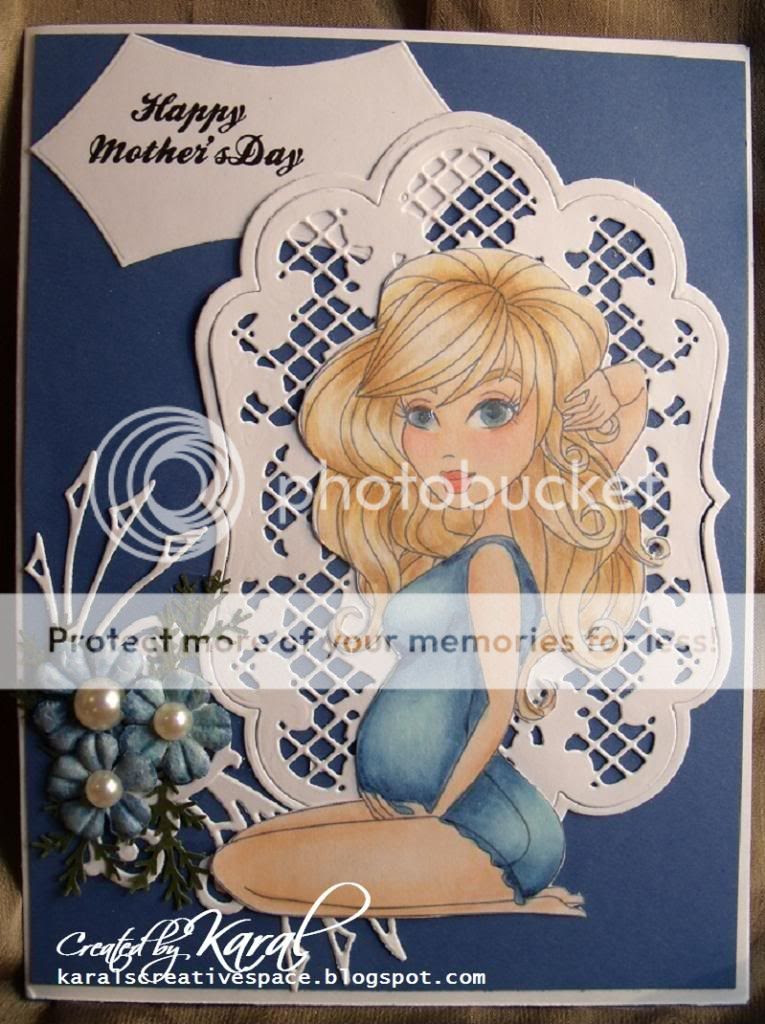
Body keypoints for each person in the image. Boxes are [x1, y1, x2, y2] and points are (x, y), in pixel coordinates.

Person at [212, 248, 655, 918]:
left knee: (248, 868)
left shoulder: (494, 564)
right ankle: (479, 889)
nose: (449, 447)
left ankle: (506, 888)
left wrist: (440, 808)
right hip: (402, 797)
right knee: (236, 860)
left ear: (544, 417)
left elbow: (497, 708)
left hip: (472, 819)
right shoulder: (453, 547)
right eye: (420, 414)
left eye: (493, 410)